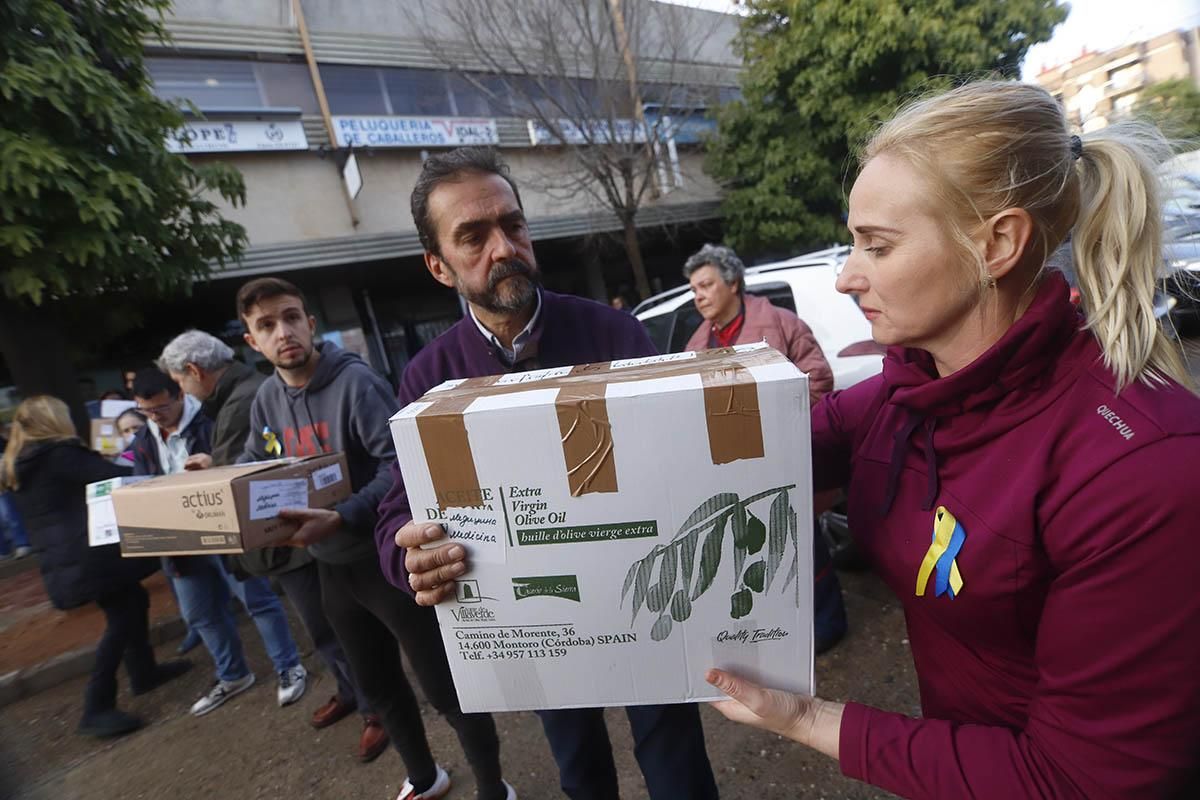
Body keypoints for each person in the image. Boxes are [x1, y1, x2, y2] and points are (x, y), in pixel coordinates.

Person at [704, 80, 1200, 798]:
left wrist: (807, 718)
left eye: (877, 245)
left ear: (998, 242)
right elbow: (730, 469)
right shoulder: (904, 394)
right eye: (853, 243)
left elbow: (1075, 781)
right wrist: (500, 551)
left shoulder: (1139, 469)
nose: (846, 276)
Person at [380, 147, 719, 800]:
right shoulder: (429, 378)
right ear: (437, 265)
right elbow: (399, 509)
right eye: (473, 237)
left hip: (646, 600)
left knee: (677, 763)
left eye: (513, 224)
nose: (503, 247)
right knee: (580, 772)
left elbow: (683, 464)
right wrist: (410, 559)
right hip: (538, 623)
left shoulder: (614, 335)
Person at [235, 277, 514, 800]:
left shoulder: (354, 384)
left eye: (292, 317)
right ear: (252, 341)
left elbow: (399, 467)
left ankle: (493, 787)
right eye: (266, 325)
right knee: (378, 686)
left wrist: (341, 517)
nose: (284, 332)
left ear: (311, 323)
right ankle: (425, 777)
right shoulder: (267, 399)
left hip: (385, 563)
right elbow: (258, 465)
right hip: (330, 569)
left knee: (445, 690)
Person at [158, 330, 386, 762]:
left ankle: (376, 709)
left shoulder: (249, 396)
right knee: (323, 632)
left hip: (300, 536)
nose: (183, 391)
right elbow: (252, 458)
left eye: (180, 382)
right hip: (288, 536)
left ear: (194, 370)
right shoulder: (249, 395)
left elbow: (260, 469)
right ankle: (353, 693)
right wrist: (215, 465)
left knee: (335, 631)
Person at [682, 243, 847, 654]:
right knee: (757, 552)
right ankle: (779, 631)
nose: (698, 295)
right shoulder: (695, 345)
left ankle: (827, 625)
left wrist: (773, 423)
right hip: (730, 471)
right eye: (693, 288)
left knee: (803, 544)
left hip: (782, 458)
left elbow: (819, 381)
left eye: (705, 285)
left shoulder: (779, 322)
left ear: (733, 282)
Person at [0, 396, 191, 737]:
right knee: (122, 618)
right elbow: (117, 476)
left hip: (69, 560)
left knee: (133, 602)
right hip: (89, 559)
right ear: (52, 422)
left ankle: (144, 672)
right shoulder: (60, 454)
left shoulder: (23, 463)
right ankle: (96, 706)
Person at [130, 368, 308, 716]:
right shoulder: (141, 441)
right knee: (199, 613)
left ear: (179, 395)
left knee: (257, 600)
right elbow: (135, 483)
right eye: (146, 411)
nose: (155, 417)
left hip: (226, 533)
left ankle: (288, 666)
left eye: (161, 408)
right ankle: (232, 675)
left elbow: (250, 460)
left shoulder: (211, 423)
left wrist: (214, 466)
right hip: (179, 542)